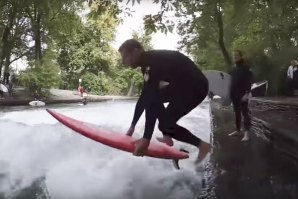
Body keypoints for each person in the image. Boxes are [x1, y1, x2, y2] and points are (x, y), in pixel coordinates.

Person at [118, 39, 211, 164]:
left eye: (126, 56)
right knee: (154, 101)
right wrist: (132, 126)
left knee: (163, 120)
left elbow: (151, 99)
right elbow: (144, 97)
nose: (124, 61)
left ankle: (202, 146)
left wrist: (146, 138)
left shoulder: (153, 61)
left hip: (195, 88)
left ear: (136, 51)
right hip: (183, 86)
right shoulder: (146, 65)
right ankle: (167, 136)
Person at [228, 50, 253, 141]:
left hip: (243, 93)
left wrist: (247, 93)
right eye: (234, 56)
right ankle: (238, 130)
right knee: (237, 112)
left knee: (245, 113)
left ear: (241, 57)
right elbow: (230, 82)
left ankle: (246, 134)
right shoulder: (233, 69)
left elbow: (248, 81)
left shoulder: (246, 68)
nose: (235, 57)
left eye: (237, 56)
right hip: (234, 93)